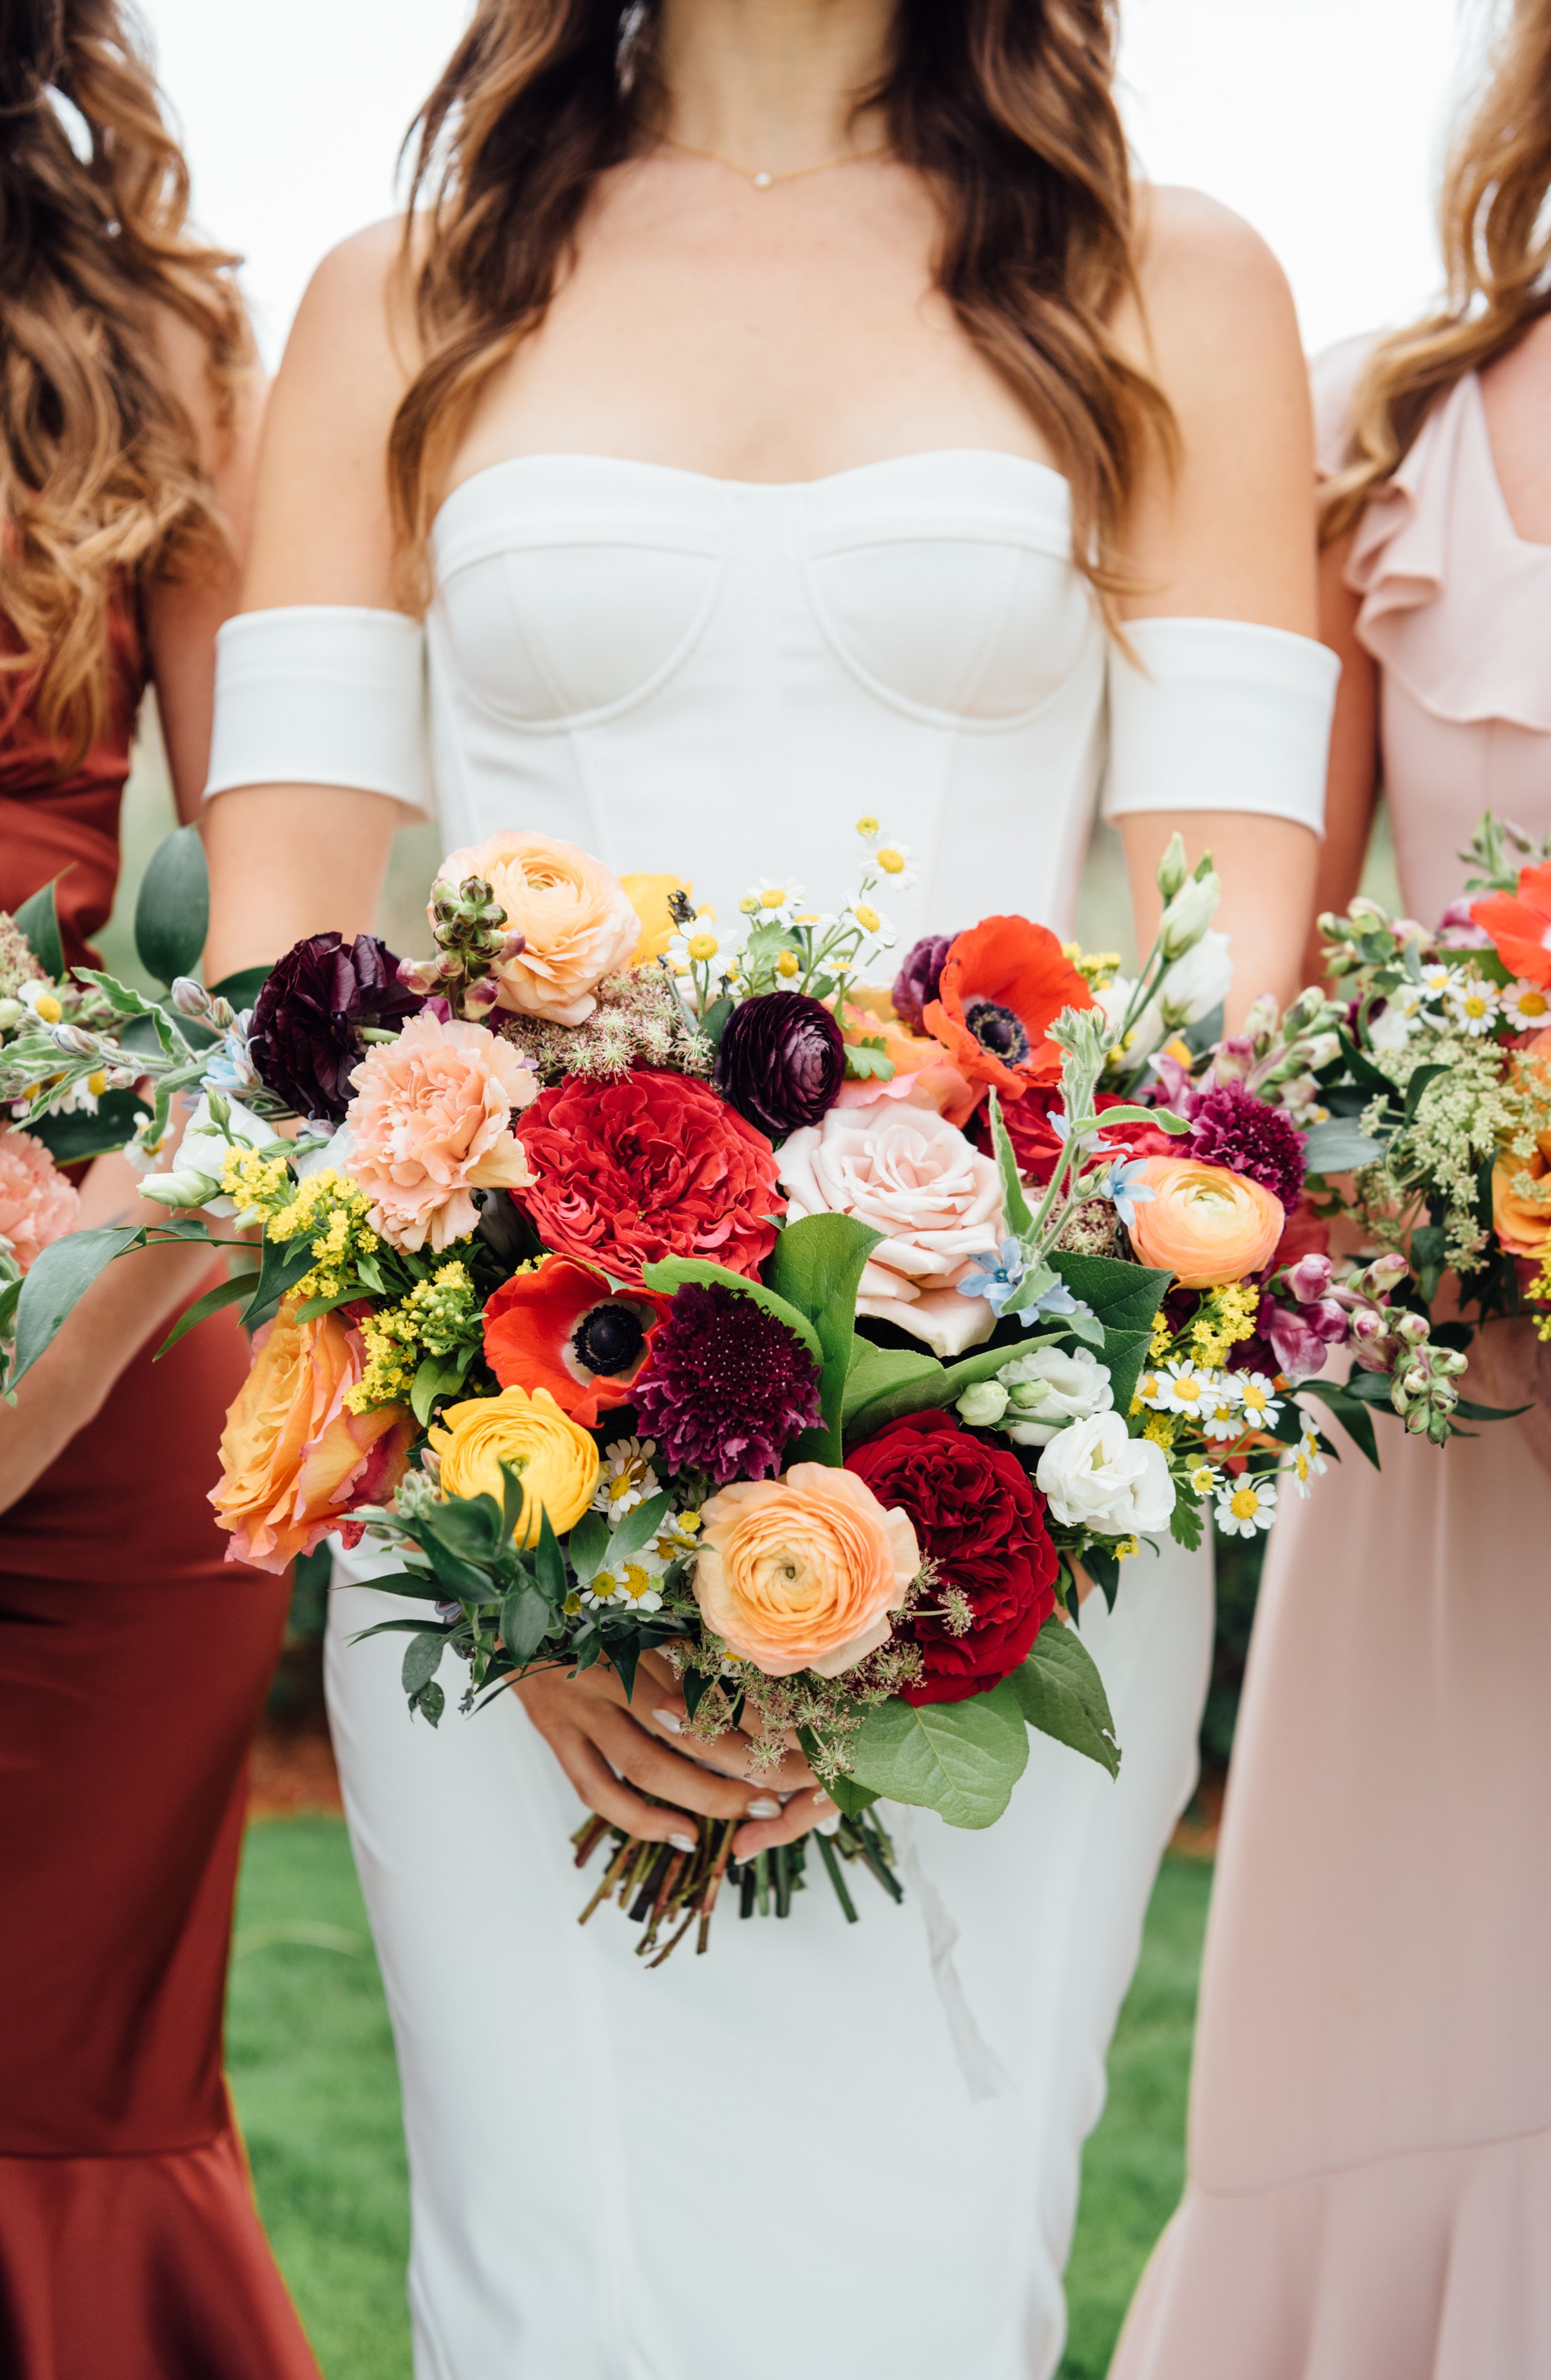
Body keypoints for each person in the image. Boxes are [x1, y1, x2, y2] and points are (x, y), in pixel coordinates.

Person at [199, 2, 1336, 2372]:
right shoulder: (399, 298)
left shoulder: (1168, 281)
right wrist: (528, 1562)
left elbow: (1220, 996)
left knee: (935, 2285)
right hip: (504, 1486)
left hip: (1008, 1513)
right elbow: (271, 992)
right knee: (555, 2287)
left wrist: (962, 1448)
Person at [1111, 5, 1551, 2375]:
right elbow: (1249, 1024)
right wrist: (1426, 1195)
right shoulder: (1395, 434)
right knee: (1427, 2092)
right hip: (1465, 1477)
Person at [0, 7, 319, 2374]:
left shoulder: (151, 337)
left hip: (78, 1352)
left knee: (44, 2111)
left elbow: (292, 945)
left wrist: (72, 1314)